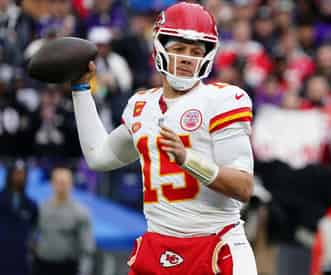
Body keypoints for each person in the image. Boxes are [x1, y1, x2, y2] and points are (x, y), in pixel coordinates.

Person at [71, 2, 257, 275]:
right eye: (178, 48)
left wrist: (187, 159)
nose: (186, 58)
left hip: (217, 247)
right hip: (159, 249)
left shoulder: (223, 100)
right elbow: (99, 157)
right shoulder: (141, 106)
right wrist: (80, 89)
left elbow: (243, 187)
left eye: (195, 51)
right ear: (160, 48)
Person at [33, 166, 95, 275]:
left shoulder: (80, 212)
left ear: (71, 185)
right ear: (52, 184)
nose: (61, 187)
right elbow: (32, 236)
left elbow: (87, 248)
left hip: (67, 267)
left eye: (64, 183)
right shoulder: (42, 209)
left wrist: (84, 271)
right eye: (58, 182)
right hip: (42, 265)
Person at [0, 160, 38, 275]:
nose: (19, 177)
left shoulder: (31, 205)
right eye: (16, 173)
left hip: (20, 256)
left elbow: (34, 227)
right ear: (10, 174)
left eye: (22, 174)